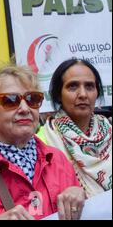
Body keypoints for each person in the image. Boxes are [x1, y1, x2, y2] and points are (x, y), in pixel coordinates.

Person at [0, 63, 85, 220]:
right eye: (10, 100)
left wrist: (80, 196)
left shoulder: (58, 161)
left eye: (33, 99)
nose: (24, 108)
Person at [44, 59, 112, 198]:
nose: (83, 94)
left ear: (97, 93)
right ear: (58, 95)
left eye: (89, 86)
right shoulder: (44, 140)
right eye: (73, 86)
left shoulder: (109, 131)